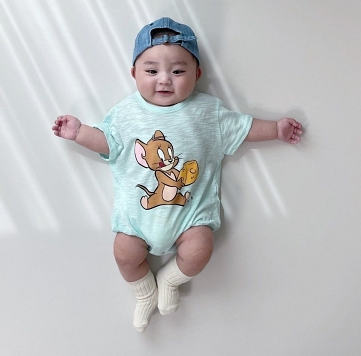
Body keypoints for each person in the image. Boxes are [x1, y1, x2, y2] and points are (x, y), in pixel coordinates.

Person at [52, 17, 302, 332]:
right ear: (134, 73)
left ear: (197, 74)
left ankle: (170, 280)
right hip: (136, 221)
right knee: (124, 254)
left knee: (200, 250)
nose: (165, 80)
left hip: (191, 218)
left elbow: (244, 127)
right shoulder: (126, 113)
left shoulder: (207, 112)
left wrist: (275, 129)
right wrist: (79, 133)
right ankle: (144, 292)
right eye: (151, 71)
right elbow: (108, 143)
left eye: (178, 71)